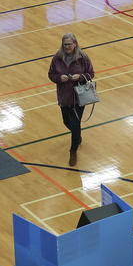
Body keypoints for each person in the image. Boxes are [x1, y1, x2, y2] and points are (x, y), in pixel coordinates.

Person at [48, 32, 95, 167]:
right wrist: (59, 78)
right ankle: (77, 135)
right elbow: (51, 74)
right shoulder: (57, 58)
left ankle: (73, 151)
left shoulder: (83, 57)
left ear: (75, 44)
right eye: (65, 44)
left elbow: (91, 73)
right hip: (64, 96)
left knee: (75, 123)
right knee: (66, 122)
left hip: (79, 96)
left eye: (70, 44)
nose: (67, 47)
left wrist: (79, 77)